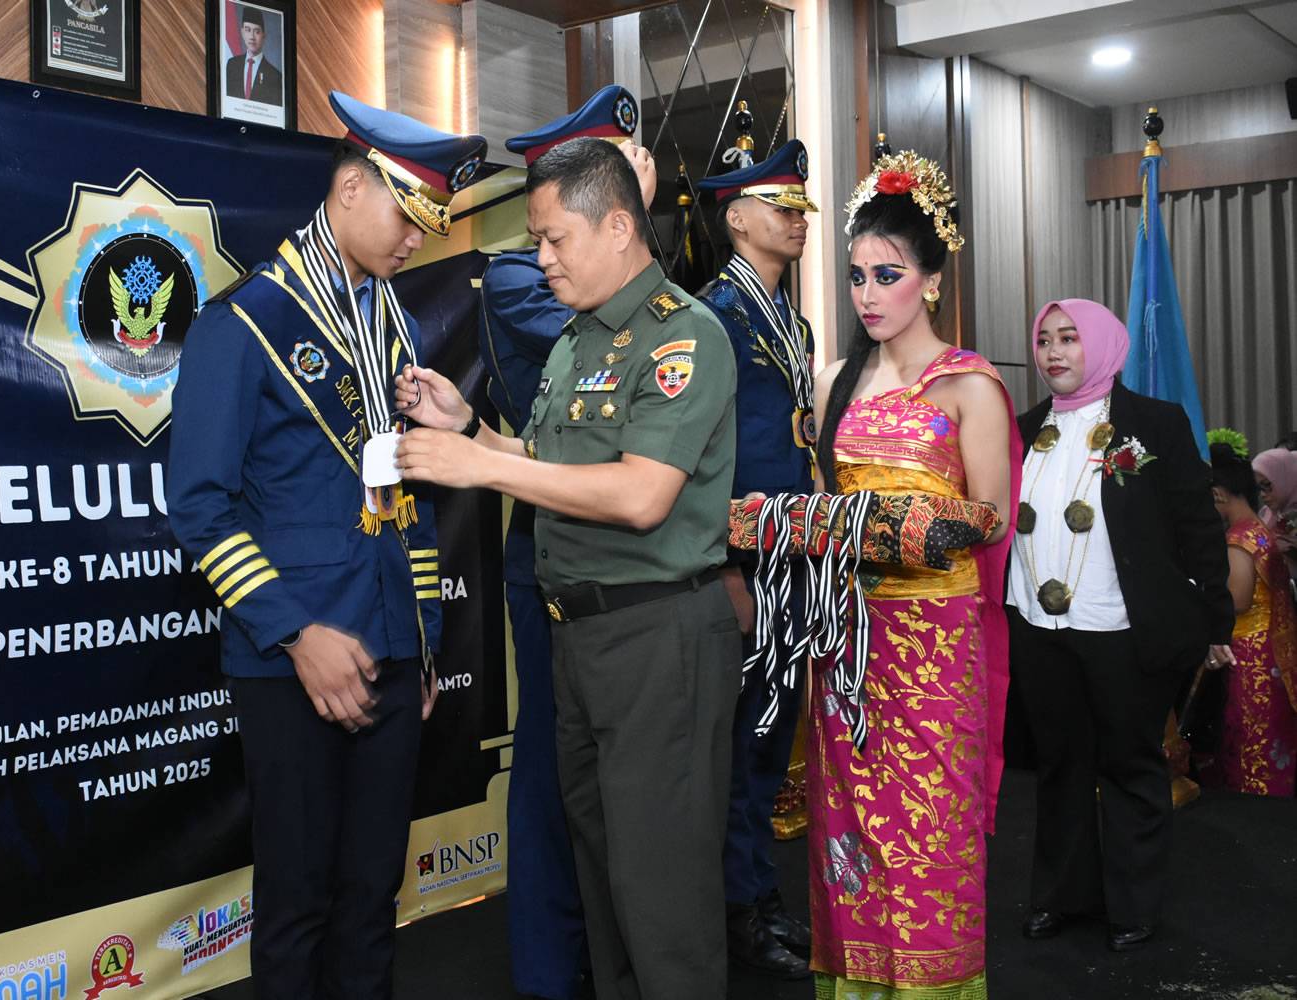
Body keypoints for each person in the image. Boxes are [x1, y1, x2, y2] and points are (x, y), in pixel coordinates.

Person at [395, 136, 741, 1000]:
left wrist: (483, 468)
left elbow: (638, 496)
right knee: (606, 884)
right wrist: (469, 432)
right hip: (581, 643)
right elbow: (550, 463)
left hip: (659, 636)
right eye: (537, 241)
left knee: (663, 898)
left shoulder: (686, 338)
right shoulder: (579, 342)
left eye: (555, 239)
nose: (540, 260)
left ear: (618, 226)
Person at [166, 92, 484, 1000]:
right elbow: (199, 507)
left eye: (431, 223)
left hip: (388, 648)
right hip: (291, 658)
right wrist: (295, 633)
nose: (417, 240)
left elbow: (403, 493)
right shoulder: (240, 325)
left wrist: (420, 633)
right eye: (406, 215)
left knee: (371, 894)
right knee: (300, 899)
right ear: (350, 190)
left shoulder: (391, 325)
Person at [807, 150, 1017, 999]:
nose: (866, 294)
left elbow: (992, 516)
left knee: (930, 830)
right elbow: (820, 507)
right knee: (847, 829)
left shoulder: (968, 385)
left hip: (936, 644)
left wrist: (906, 527)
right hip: (850, 640)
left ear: (928, 280)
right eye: (856, 275)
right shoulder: (834, 383)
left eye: (886, 274)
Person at [481, 84, 654, 1000]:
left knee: (616, 778)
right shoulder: (519, 276)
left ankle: (607, 954)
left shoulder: (640, 285)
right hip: (555, 539)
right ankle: (551, 971)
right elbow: (620, 357)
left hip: (635, 556)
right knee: (555, 773)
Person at [1008, 298, 1235, 953]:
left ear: (1103, 344)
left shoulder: (1152, 425)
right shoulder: (1021, 430)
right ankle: (1062, 896)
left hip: (1123, 629)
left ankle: (1132, 904)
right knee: (1060, 766)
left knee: (1132, 765)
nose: (1054, 352)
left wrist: (1215, 617)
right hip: (1039, 629)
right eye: (1045, 339)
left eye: (1070, 338)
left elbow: (1197, 524)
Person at [694, 138, 819, 981]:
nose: (796, 223)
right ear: (737, 217)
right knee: (739, 747)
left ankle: (759, 898)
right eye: (781, 207)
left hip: (796, 551)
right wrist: (727, 567)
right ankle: (739, 910)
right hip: (742, 558)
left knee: (773, 738)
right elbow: (704, 455)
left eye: (802, 209)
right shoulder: (712, 316)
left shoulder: (797, 322)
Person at [1208, 445, 1297, 795]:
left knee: (1253, 736)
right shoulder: (1260, 528)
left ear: (1218, 494)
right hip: (1272, 647)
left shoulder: (1237, 539)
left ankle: (1255, 808)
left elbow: (1239, 601)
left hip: (1250, 655)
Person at [1253, 447, 1297, 581]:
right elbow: (1258, 543)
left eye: (1267, 486)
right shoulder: (1266, 514)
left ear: (1287, 478)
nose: (1263, 495)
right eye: (1259, 488)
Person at [225, 7, 283, 106]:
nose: (252, 37)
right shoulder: (232, 65)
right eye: (248, 30)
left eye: (257, 31)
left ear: (264, 35)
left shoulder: (275, 76)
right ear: (242, 32)